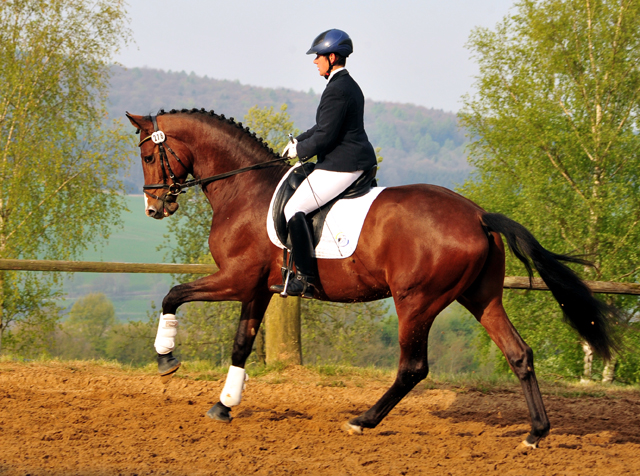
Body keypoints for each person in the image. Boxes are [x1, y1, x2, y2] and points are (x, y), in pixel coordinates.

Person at [270, 29, 378, 297]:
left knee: (295, 207)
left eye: (318, 56)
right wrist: (298, 142)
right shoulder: (343, 85)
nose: (314, 61)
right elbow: (322, 127)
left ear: (332, 57)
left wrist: (300, 151)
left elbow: (327, 136)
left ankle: (305, 279)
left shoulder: (337, 90)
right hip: (347, 159)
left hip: (345, 163)